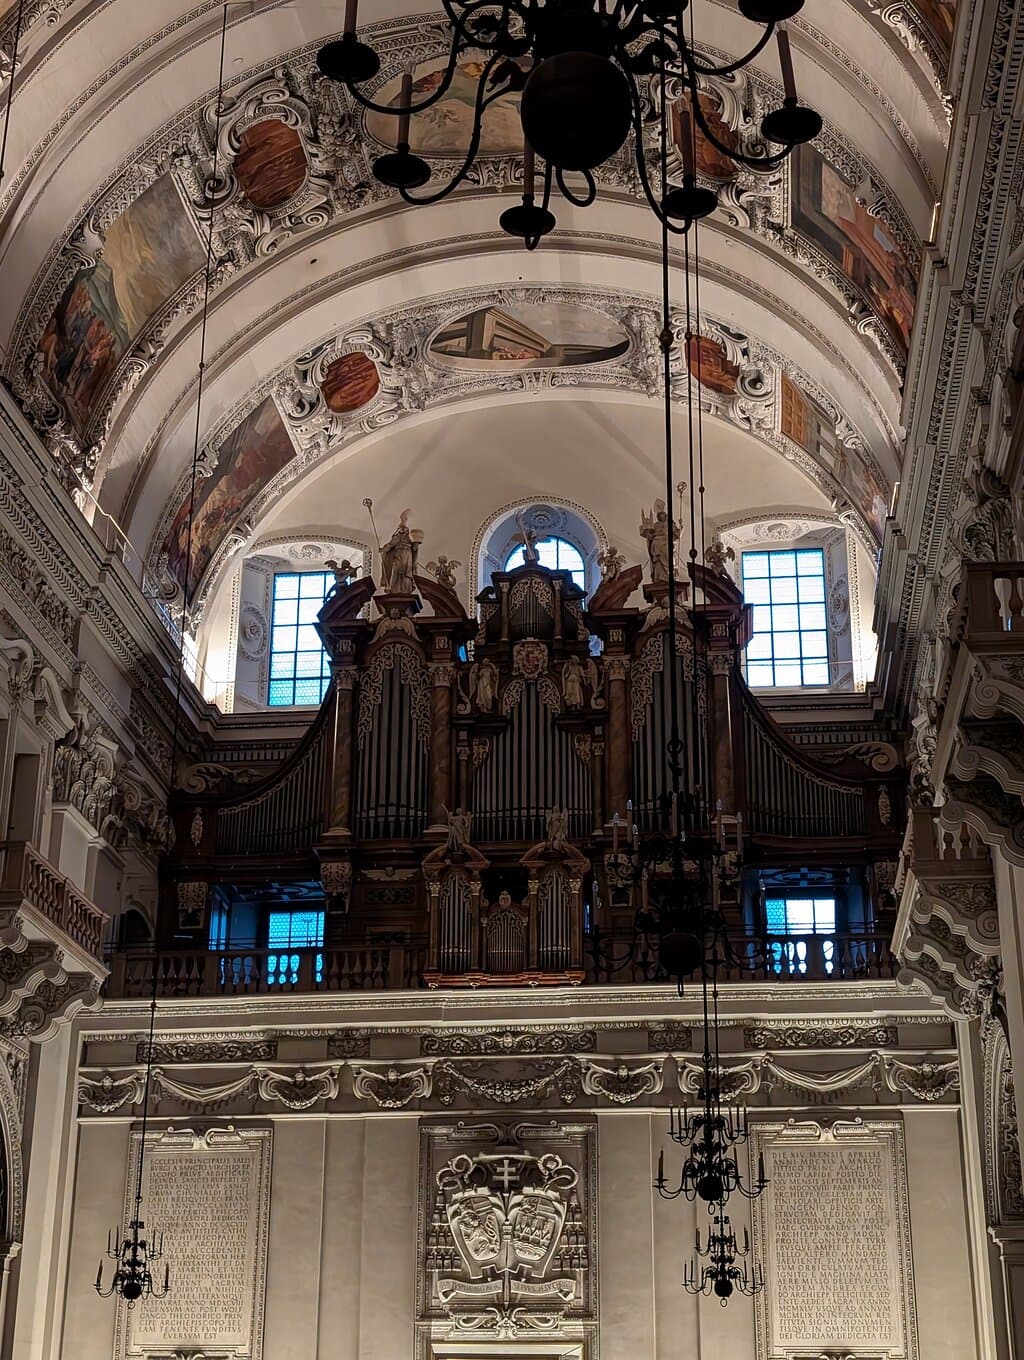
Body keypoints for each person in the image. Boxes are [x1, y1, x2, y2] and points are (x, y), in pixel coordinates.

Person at [380, 509, 422, 593]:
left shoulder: (408, 539)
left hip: (407, 555)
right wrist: (384, 549)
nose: (402, 530)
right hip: (399, 554)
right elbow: (391, 544)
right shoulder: (397, 537)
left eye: (403, 529)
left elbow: (414, 548)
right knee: (397, 570)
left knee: (407, 571)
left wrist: (416, 544)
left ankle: (405, 588)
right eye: (401, 529)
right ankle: (395, 588)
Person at [639, 500, 679, 585]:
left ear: (665, 515)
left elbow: (676, 533)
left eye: (662, 515)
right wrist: (648, 534)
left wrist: (680, 527)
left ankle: (668, 572)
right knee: (656, 546)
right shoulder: (656, 525)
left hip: (667, 541)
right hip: (657, 541)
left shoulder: (670, 523)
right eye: (659, 515)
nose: (661, 517)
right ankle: (660, 574)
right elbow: (650, 534)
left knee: (667, 550)